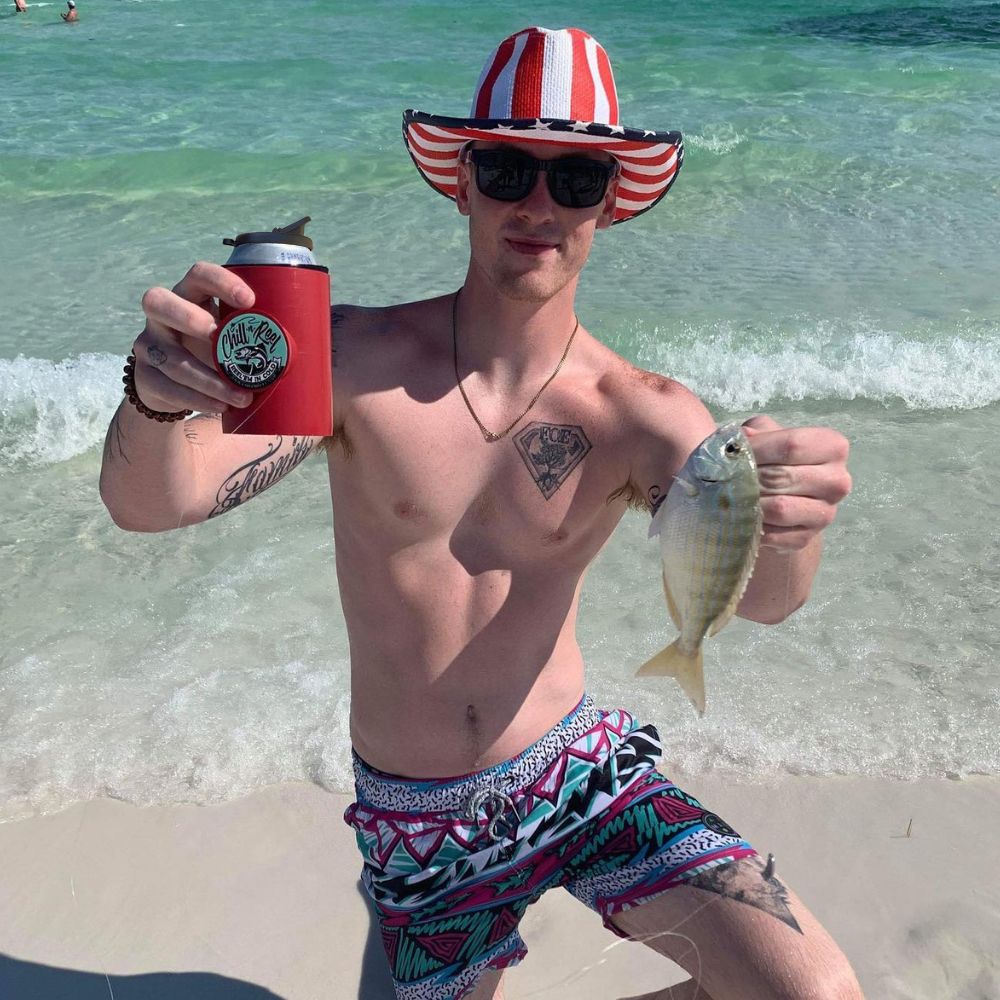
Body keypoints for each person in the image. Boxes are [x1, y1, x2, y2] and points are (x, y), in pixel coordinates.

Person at [99, 25, 861, 1000]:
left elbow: (763, 600)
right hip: (417, 821)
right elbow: (152, 504)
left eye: (575, 179)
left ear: (610, 203)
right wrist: (159, 397)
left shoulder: (640, 414)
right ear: (462, 182)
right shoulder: (349, 361)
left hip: (578, 775)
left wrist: (793, 528)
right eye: (506, 169)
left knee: (817, 992)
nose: (538, 205)